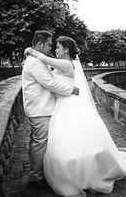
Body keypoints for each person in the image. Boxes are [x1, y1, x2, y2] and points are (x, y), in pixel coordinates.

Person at [24, 36, 126, 197]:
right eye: (53, 46)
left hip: (68, 104)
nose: (55, 49)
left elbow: (48, 62)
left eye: (58, 47)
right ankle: (68, 168)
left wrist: (32, 51)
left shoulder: (67, 64)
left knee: (75, 138)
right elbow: (50, 75)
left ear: (66, 50)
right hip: (60, 106)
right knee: (65, 140)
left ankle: (78, 173)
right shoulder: (55, 64)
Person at [22, 30, 80, 189]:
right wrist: (71, 90)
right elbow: (50, 83)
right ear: (39, 44)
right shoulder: (34, 62)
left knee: (38, 143)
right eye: (48, 44)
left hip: (43, 108)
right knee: (39, 143)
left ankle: (39, 174)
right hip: (40, 109)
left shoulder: (37, 60)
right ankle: (35, 178)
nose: (51, 48)